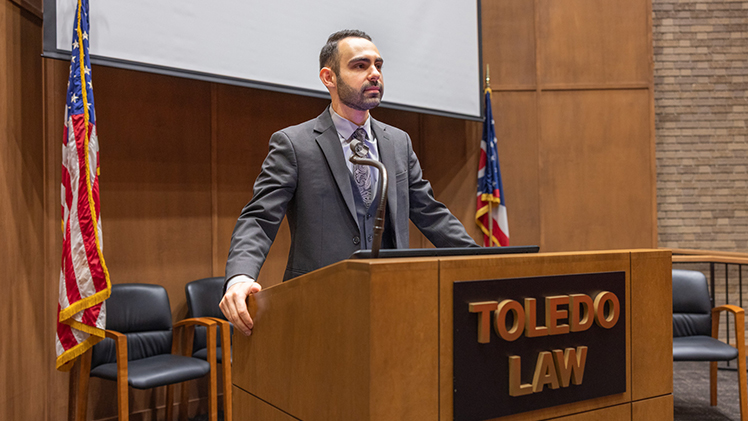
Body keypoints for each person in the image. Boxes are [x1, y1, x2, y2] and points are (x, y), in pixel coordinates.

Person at [220, 29, 477, 335]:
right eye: (360, 66)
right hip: (319, 307)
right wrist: (240, 277)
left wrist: (481, 261)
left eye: (378, 65)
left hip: (394, 303)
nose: (374, 74)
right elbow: (259, 219)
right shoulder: (295, 144)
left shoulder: (397, 142)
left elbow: (430, 213)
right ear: (329, 78)